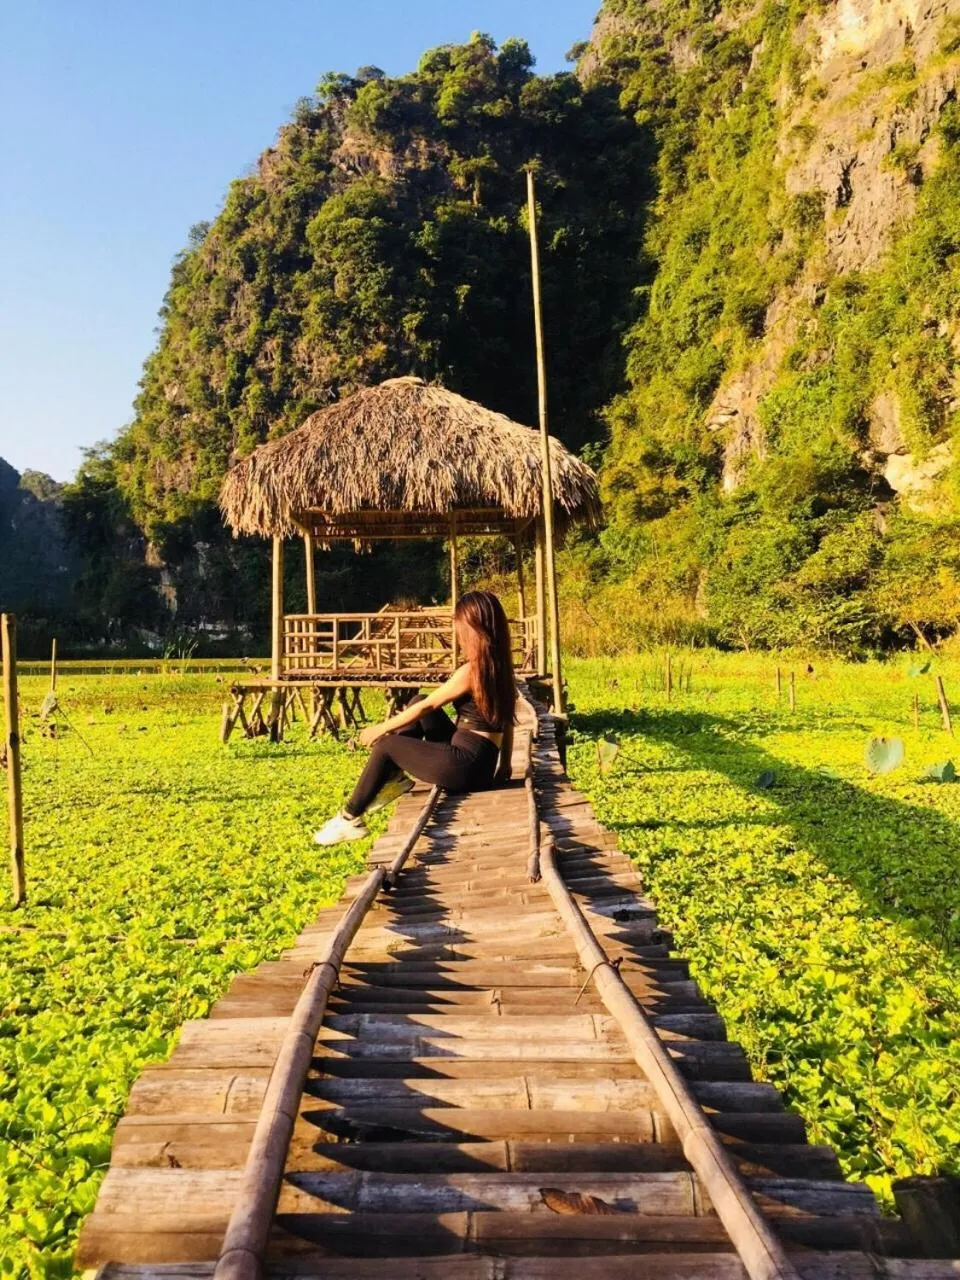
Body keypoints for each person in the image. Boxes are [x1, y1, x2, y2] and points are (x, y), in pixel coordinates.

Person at [313, 590, 517, 845]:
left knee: (387, 745)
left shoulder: (471, 672)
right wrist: (505, 764)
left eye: (460, 630)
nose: (458, 637)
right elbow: (507, 719)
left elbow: (430, 706)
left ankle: (350, 818)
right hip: (479, 763)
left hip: (467, 766)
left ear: (473, 630)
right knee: (417, 698)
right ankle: (395, 776)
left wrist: (380, 728)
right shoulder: (500, 668)